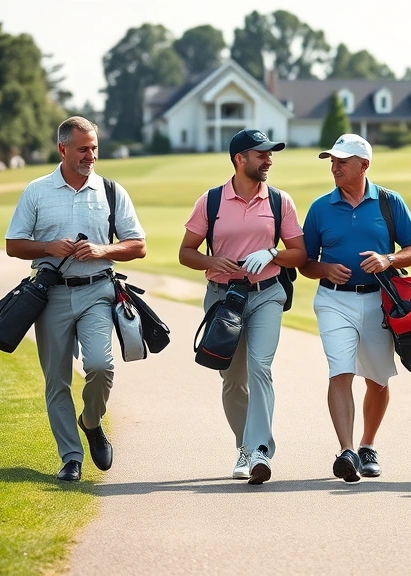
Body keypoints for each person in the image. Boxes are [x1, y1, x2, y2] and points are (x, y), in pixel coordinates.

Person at [5, 116, 147, 482]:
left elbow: (138, 245)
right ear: (62, 149)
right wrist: (47, 247)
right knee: (57, 382)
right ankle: (71, 459)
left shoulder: (112, 191)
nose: (91, 155)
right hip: (49, 296)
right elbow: (13, 244)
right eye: (83, 148)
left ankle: (91, 421)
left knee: (101, 366)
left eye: (95, 148)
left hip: (98, 291)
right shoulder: (37, 191)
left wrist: (103, 250)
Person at [178, 129, 307, 485]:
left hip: (267, 294)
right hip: (223, 301)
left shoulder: (281, 201)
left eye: (270, 155)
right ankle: (246, 448)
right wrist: (213, 261)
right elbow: (185, 252)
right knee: (233, 379)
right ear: (240, 159)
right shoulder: (212, 201)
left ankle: (260, 450)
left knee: (260, 367)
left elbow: (300, 253)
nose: (268, 161)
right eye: (261, 154)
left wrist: (272, 253)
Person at [299, 134, 411, 483]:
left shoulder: (389, 202)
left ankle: (368, 444)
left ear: (364, 165)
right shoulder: (321, 207)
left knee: (377, 378)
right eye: (332, 161)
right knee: (339, 371)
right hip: (333, 300)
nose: (334, 167)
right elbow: (305, 262)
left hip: (378, 301)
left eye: (342, 161)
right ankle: (347, 450)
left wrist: (388, 259)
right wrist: (323, 269)